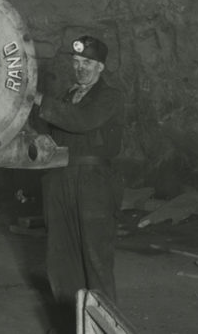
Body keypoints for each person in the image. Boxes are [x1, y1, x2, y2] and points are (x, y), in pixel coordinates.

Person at [39, 34, 123, 329]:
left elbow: (82, 121)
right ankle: (69, 327)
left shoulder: (109, 97)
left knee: (96, 261)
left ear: (100, 67)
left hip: (94, 185)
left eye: (88, 62)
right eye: (76, 62)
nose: (81, 68)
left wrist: (38, 100)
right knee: (61, 260)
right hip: (59, 181)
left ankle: (102, 328)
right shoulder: (65, 96)